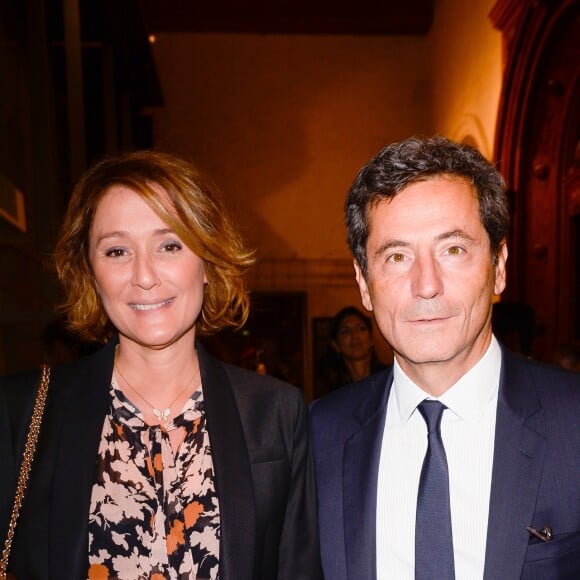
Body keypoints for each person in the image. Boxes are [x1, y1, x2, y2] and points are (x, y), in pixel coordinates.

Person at [0, 151, 322, 579]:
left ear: (208, 260)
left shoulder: (275, 412)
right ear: (91, 272)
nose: (145, 275)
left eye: (169, 245)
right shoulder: (22, 410)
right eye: (117, 251)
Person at [310, 136, 580, 579]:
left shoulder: (573, 421)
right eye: (397, 256)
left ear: (499, 266)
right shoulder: (320, 435)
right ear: (364, 283)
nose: (426, 284)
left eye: (453, 249)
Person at [316, 306, 386, 393]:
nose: (354, 336)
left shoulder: (388, 378)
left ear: (371, 339)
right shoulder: (332, 391)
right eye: (345, 331)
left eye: (361, 329)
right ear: (335, 345)